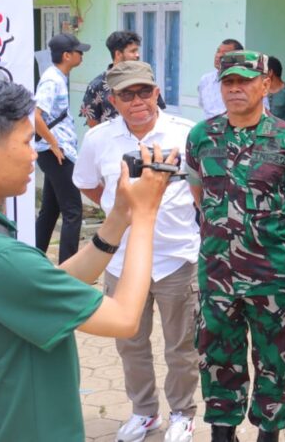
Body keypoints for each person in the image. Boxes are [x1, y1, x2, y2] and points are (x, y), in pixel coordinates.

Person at [0, 73, 172, 441]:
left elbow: (43, 285)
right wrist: (145, 216)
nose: (35, 153)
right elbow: (125, 318)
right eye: (26, 141)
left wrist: (119, 219)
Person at [73, 61, 200, 442]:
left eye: (144, 91)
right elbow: (89, 186)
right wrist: (121, 212)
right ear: (113, 99)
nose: (137, 101)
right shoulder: (99, 140)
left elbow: (202, 189)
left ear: (157, 91)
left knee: (182, 348)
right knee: (130, 344)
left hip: (177, 258)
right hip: (123, 261)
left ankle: (182, 413)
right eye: (126, 94)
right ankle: (144, 412)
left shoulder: (186, 133)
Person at [187, 50, 285, 442]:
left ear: (265, 84)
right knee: (217, 356)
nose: (236, 89)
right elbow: (199, 195)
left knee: (275, 360)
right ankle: (223, 433)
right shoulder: (201, 136)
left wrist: (267, 238)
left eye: (244, 81)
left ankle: (268, 433)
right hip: (217, 274)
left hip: (271, 275)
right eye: (228, 82)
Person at [34, 32, 89, 263]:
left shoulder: (57, 76)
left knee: (50, 210)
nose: (82, 55)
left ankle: (32, 258)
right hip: (56, 153)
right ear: (67, 55)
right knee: (73, 211)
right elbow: (36, 116)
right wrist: (55, 145)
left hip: (56, 152)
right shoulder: (52, 80)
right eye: (79, 52)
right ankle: (69, 267)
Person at [80, 30, 166, 127]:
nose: (137, 55)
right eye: (133, 51)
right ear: (118, 54)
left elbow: (158, 110)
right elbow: (92, 121)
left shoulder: (144, 79)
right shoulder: (97, 85)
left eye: (137, 51)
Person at [198, 38, 243, 119]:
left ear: (237, 58)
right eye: (218, 51)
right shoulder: (205, 80)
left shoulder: (248, 82)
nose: (218, 56)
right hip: (209, 129)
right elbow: (203, 106)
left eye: (224, 53)